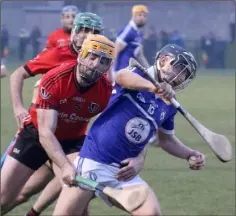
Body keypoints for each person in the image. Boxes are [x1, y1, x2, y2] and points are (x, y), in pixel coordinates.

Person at [53, 44, 205, 216]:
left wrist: (189, 154)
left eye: (185, 74)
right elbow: (121, 76)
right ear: (163, 61)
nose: (181, 76)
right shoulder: (138, 73)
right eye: (179, 68)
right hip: (93, 163)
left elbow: (166, 140)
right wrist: (153, 87)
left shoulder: (170, 103)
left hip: (124, 173)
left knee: (151, 213)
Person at [1, 12, 104, 216]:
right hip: (37, 134)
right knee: (9, 197)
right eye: (83, 29)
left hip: (70, 142)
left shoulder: (101, 64)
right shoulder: (57, 54)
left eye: (93, 32)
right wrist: (19, 108)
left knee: (78, 201)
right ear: (73, 31)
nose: (87, 35)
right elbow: (17, 74)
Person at [112, 5, 150, 82]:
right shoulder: (129, 31)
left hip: (131, 71)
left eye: (144, 16)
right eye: (139, 15)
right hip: (121, 71)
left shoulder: (138, 33)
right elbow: (115, 50)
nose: (142, 18)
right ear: (133, 16)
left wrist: (149, 70)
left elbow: (140, 55)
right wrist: (112, 72)